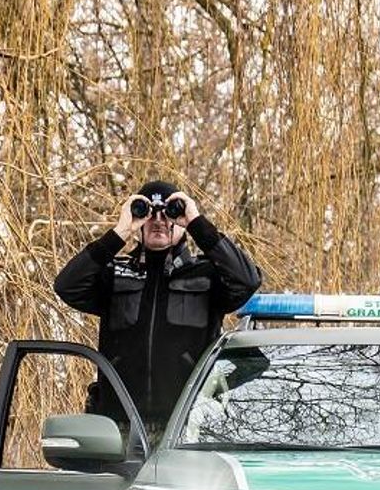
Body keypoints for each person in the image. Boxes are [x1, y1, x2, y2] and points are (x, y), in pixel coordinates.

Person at [55, 180, 262, 434]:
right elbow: (66, 285)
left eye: (168, 213)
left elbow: (247, 280)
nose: (159, 221)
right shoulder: (116, 274)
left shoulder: (206, 274)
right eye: (149, 213)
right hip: (119, 428)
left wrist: (197, 223)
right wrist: (119, 232)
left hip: (187, 428)